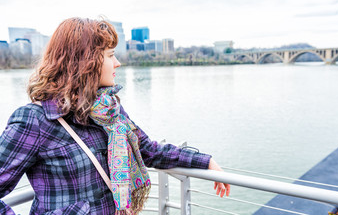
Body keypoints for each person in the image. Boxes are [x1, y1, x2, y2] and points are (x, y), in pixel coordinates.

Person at [0, 17, 230, 214]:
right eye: (110, 55)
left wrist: (205, 161)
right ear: (85, 61)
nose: (117, 63)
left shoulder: (110, 111)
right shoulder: (35, 121)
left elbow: (149, 150)